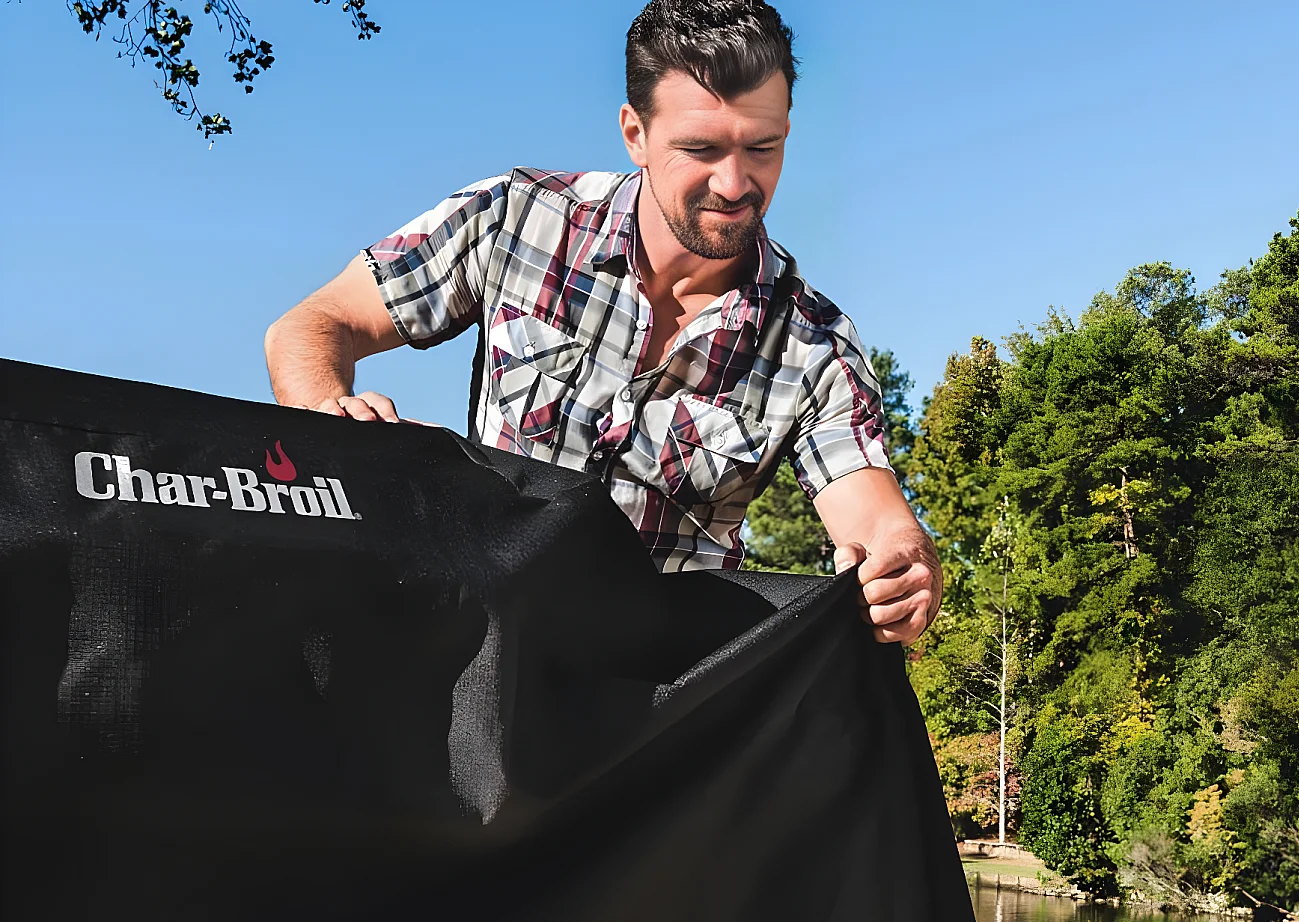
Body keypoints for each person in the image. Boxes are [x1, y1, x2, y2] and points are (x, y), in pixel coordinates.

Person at [264, 0, 940, 644]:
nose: (735, 184)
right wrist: (328, 423)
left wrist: (902, 570)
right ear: (635, 134)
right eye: (701, 149)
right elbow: (312, 325)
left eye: (762, 148)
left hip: (667, 702)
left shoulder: (814, 345)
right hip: (481, 655)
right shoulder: (513, 219)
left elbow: (879, 523)